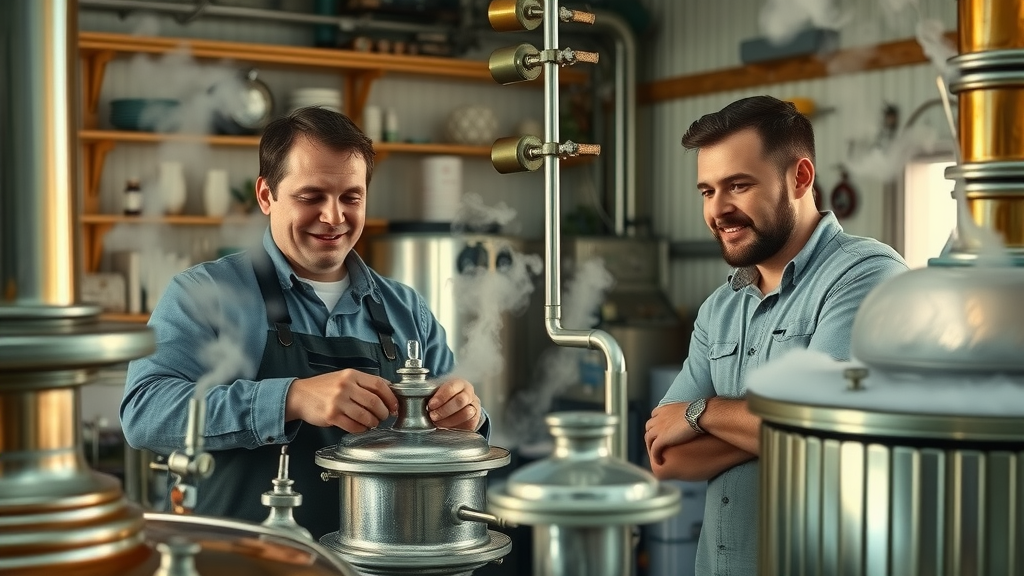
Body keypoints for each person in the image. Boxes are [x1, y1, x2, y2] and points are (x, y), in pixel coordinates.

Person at [121, 106, 487, 538]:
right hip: (236, 563)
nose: (333, 217)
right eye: (311, 196)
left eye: (351, 197)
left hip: (374, 563)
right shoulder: (204, 295)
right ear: (265, 195)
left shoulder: (408, 309)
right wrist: (290, 398)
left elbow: (461, 438)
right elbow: (144, 413)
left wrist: (470, 419)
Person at [644, 95, 907, 574]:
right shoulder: (718, 309)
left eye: (738, 185)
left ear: (800, 178)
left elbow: (829, 430)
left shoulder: (865, 276)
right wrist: (786, 429)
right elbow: (667, 455)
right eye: (706, 191)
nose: (718, 210)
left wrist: (702, 412)